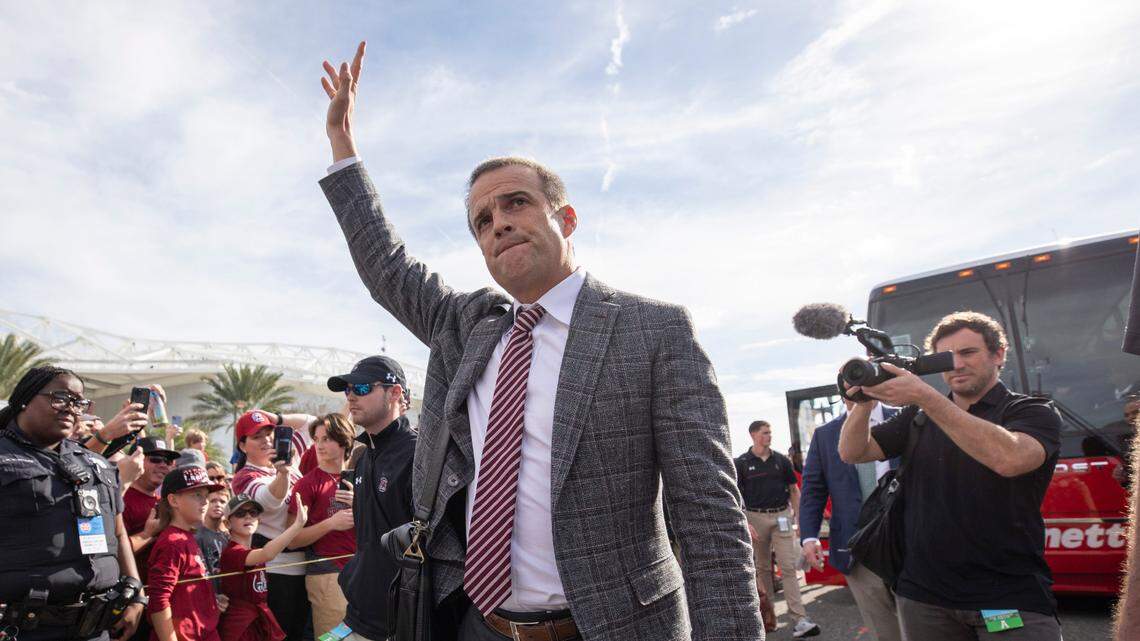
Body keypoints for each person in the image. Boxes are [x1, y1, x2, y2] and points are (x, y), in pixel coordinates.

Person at [317, 42, 761, 640]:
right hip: (479, 625)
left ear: (566, 218)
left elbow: (708, 518)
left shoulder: (653, 331)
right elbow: (386, 265)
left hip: (617, 627)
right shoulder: (466, 326)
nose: (498, 222)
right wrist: (343, 146)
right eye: (482, 220)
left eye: (515, 203)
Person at [838, 311, 1063, 640]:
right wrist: (864, 401)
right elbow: (853, 452)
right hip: (923, 598)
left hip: (1004, 599)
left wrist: (925, 397)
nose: (957, 365)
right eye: (948, 357)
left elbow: (1010, 458)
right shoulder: (918, 416)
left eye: (968, 353)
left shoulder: (1030, 410)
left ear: (998, 354)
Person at [0, 366, 147, 641]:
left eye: (78, 402)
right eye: (60, 397)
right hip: (23, 630)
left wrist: (138, 594)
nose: (70, 408)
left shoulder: (96, 463)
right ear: (24, 398)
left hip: (94, 628)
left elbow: (117, 533)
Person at [324, 359, 416, 641]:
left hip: (397, 625)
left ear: (395, 393)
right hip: (357, 616)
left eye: (362, 387)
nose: (351, 395)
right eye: (348, 389)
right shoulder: (364, 457)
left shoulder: (418, 456)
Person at [800, 399, 901, 641]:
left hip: (907, 541)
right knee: (884, 631)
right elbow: (813, 488)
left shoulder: (906, 418)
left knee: (924, 626)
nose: (855, 388)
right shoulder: (825, 435)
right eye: (848, 383)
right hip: (857, 547)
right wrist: (809, 537)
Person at [229, 410, 314, 641]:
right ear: (243, 445)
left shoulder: (289, 459)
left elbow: (311, 423)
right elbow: (269, 500)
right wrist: (282, 474)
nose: (267, 439)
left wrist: (276, 418)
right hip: (275, 571)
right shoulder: (244, 477)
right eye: (257, 436)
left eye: (269, 433)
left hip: (305, 565)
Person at [735, 421, 818, 638]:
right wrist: (745, 521)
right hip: (755, 518)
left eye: (770, 432)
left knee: (788, 567)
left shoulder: (781, 460)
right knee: (762, 569)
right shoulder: (742, 463)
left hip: (781, 516)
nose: (769, 436)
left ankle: (800, 619)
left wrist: (801, 520)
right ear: (753, 435)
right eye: (764, 433)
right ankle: (767, 618)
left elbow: (794, 490)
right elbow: (736, 497)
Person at [287, 413, 357, 638]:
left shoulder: (362, 478)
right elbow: (292, 539)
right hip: (328, 574)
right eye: (316, 439)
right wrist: (331, 524)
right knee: (333, 638)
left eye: (326, 438)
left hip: (363, 572)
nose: (319, 445)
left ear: (344, 441)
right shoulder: (307, 484)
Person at [147, 465, 228, 641]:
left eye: (206, 495)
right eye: (196, 495)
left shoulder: (187, 536)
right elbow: (158, 600)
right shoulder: (172, 543)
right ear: (174, 500)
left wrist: (211, 601)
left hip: (205, 632)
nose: (205, 501)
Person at [218, 495, 308, 641]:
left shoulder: (254, 551)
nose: (248, 517)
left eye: (253, 513)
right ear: (227, 523)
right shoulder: (232, 552)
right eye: (240, 514)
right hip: (240, 627)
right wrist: (296, 526)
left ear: (258, 520)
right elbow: (268, 553)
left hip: (259, 621)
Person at [198, 487, 232, 582]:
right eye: (213, 501)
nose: (218, 505)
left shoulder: (228, 536)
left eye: (222, 502)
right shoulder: (198, 536)